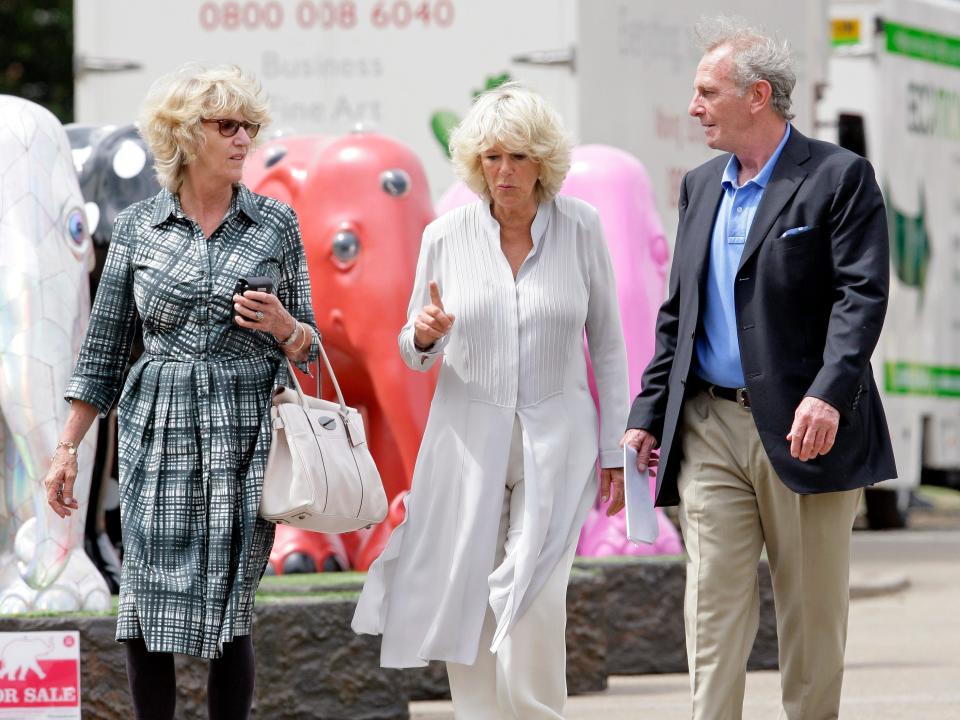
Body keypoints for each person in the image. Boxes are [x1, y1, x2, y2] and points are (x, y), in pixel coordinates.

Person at [622, 17, 897, 720]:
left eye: (707, 92)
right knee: (712, 607)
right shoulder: (701, 184)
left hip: (810, 428)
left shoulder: (839, 178)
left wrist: (830, 395)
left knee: (810, 621)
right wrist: (649, 414)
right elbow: (678, 311)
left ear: (758, 96)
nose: (694, 107)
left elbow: (860, 298)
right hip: (710, 425)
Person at [43, 63, 319, 720]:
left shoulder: (275, 224)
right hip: (156, 426)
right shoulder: (138, 226)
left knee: (231, 609)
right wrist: (66, 450)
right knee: (144, 602)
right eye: (227, 125)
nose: (243, 138)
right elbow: (103, 349)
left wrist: (285, 326)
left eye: (248, 126)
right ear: (184, 134)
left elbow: (312, 352)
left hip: (244, 428)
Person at [352, 82, 629, 719]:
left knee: (535, 592)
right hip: (465, 438)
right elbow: (411, 345)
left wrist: (614, 447)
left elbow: (609, 346)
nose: (503, 172)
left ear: (544, 163)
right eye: (491, 158)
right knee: (468, 590)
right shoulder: (444, 234)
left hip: (560, 436)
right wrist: (422, 336)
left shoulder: (582, 228)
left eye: (518, 158)